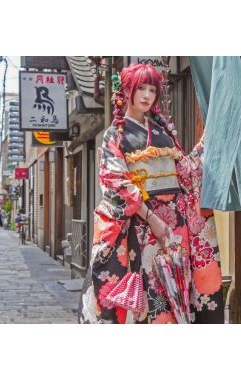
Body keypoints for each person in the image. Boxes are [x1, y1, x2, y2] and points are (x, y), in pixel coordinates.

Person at [78, 63, 224, 324]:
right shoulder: (115, 135)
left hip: (176, 223)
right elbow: (116, 182)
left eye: (152, 90)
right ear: (127, 91)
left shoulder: (163, 132)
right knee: (151, 287)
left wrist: (206, 145)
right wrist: (152, 218)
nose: (146, 95)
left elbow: (185, 172)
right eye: (140, 89)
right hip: (141, 223)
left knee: (177, 281)